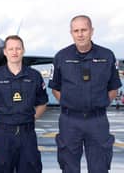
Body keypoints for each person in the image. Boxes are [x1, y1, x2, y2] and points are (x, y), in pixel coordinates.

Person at [48, 15, 122, 173]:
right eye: (76, 31)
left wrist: (98, 104)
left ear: (91, 31)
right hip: (70, 121)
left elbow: (114, 87)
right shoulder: (61, 57)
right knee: (69, 166)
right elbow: (55, 88)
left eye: (84, 30)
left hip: (97, 120)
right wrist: (71, 104)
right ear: (71, 33)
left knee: (99, 167)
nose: (80, 34)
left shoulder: (107, 56)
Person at [0, 35, 48, 173]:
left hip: (27, 134)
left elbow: (42, 102)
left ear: (23, 50)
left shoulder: (34, 76)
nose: (14, 52)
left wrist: (32, 118)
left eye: (18, 48)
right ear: (5, 52)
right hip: (3, 135)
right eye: (11, 49)